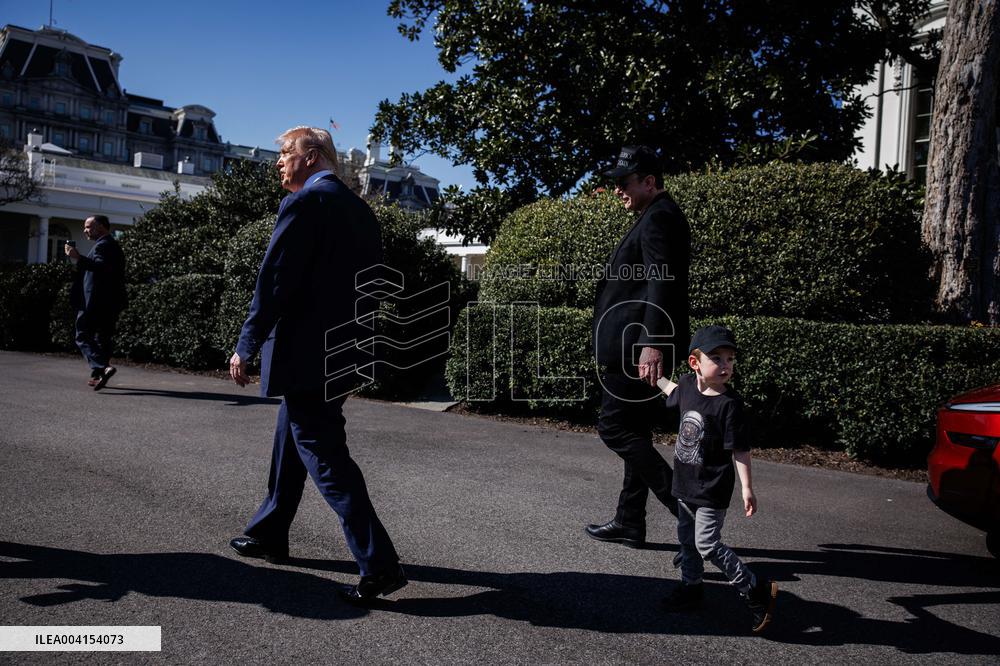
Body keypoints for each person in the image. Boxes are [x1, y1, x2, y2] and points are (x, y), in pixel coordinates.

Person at [227, 126, 405, 602]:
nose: (280, 161)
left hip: (308, 351)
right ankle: (269, 532)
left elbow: (275, 280)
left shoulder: (306, 202)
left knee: (323, 454)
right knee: (293, 435)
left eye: (286, 152)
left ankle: (379, 564)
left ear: (312, 156)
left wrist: (247, 343)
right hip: (345, 349)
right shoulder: (360, 209)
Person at [587, 145, 690, 548]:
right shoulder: (655, 215)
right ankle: (629, 521)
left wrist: (652, 345)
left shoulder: (658, 218)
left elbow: (661, 284)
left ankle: (686, 511)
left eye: (624, 182)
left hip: (636, 349)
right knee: (636, 431)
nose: (617, 190)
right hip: (638, 345)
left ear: (649, 181)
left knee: (614, 428)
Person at [657, 325, 777, 633]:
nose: (726, 365)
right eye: (717, 358)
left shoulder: (730, 405)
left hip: (712, 488)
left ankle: (754, 588)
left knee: (707, 544)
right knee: (686, 541)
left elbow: (740, 449)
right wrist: (653, 376)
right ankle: (692, 588)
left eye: (731, 359)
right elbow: (672, 391)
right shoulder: (686, 385)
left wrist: (747, 488)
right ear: (695, 363)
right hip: (684, 485)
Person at [65, 215, 127, 390]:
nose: (85, 230)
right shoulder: (111, 245)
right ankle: (99, 374)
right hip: (110, 301)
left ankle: (103, 367)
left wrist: (78, 257)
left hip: (95, 301)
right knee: (102, 338)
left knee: (82, 335)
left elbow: (101, 269)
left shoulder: (103, 246)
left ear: (100, 227)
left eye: (88, 227)